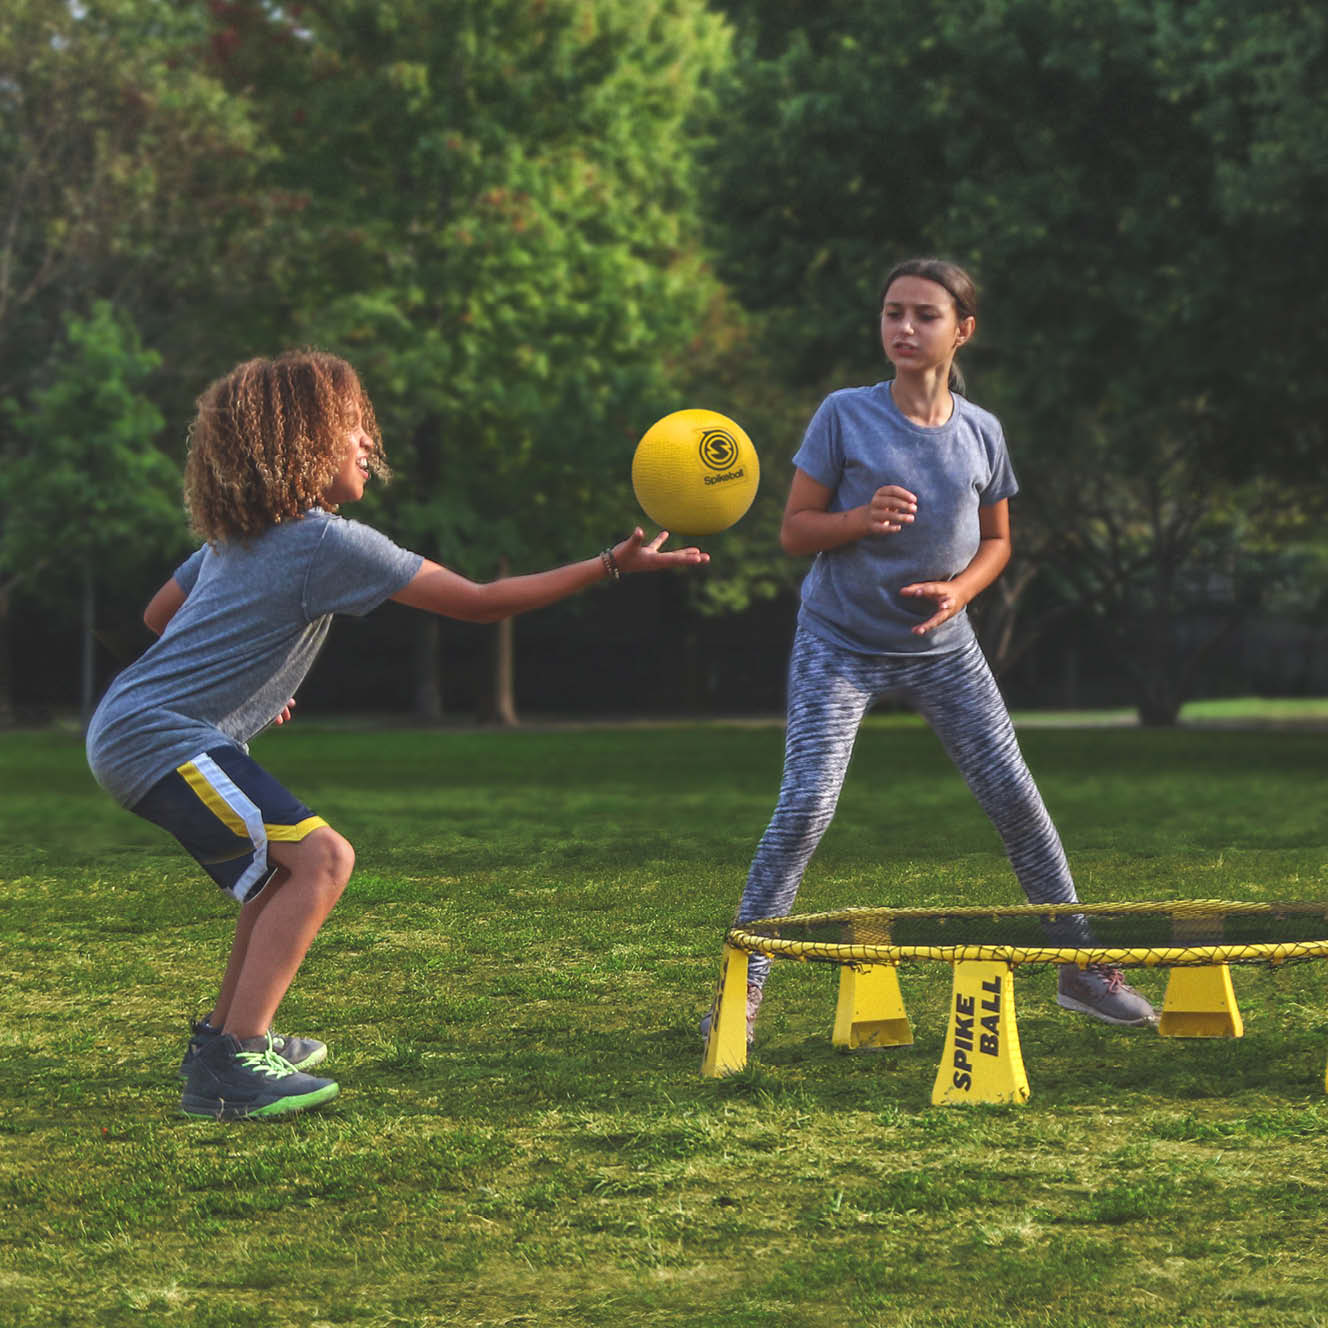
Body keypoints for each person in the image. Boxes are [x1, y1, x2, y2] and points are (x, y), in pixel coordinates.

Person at [86, 348, 709, 1121]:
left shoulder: (236, 537)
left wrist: (246, 680)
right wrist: (609, 565)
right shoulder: (325, 542)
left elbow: (158, 617)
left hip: (142, 725)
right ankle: (232, 1067)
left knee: (285, 871)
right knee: (323, 859)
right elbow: (480, 602)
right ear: (301, 443)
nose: (367, 446)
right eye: (352, 429)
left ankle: (228, 1039)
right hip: (157, 736)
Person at [704, 257, 1155, 1047]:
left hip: (944, 649)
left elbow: (998, 540)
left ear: (963, 331)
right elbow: (794, 530)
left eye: (924, 315)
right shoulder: (845, 415)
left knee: (1016, 799)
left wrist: (961, 593)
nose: (904, 329)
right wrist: (857, 520)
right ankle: (742, 990)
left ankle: (1080, 968)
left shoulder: (982, 432)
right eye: (891, 314)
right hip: (839, 642)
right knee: (806, 805)